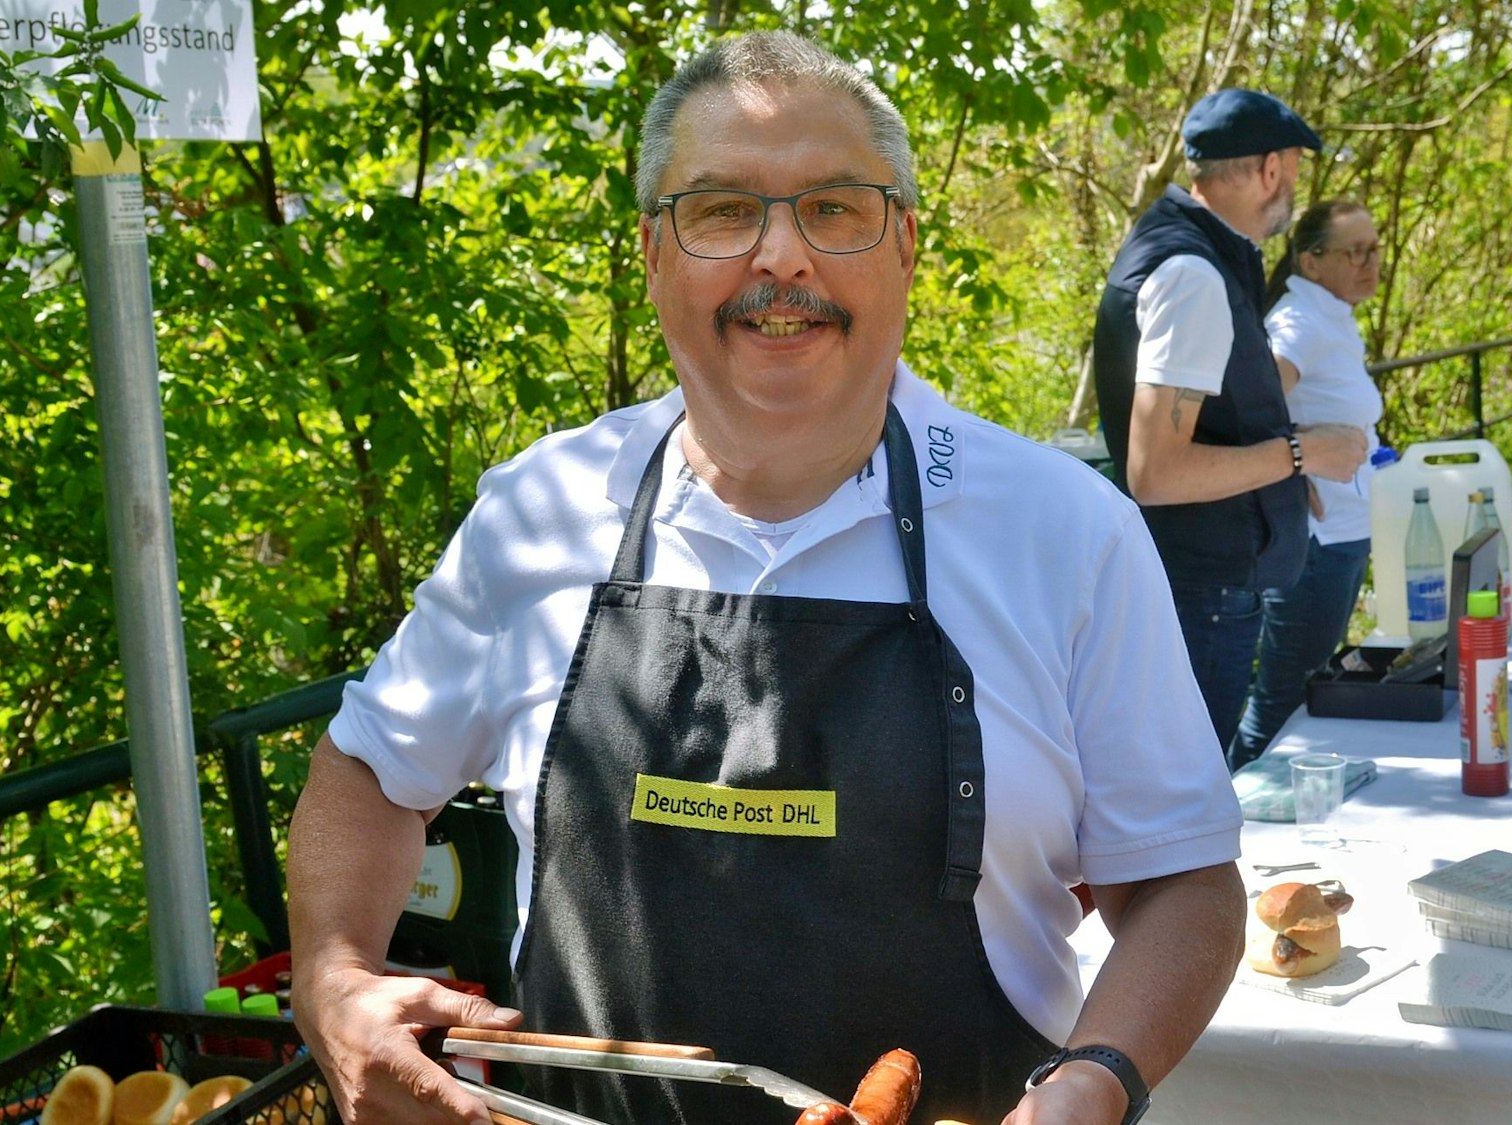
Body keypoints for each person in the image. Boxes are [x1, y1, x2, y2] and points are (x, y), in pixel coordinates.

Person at [285, 30, 1244, 1125]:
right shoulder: (539, 513)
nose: (780, 258)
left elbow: (1178, 882)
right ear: (652, 254)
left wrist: (1095, 1084)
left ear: (906, 248)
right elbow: (366, 773)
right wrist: (333, 979)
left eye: (835, 209)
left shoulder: (1066, 533)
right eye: (722, 210)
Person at [1091, 89, 1366, 761]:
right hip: (1202, 593)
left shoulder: (1186, 248)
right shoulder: (1192, 276)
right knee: (1186, 796)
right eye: (1295, 169)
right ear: (1271, 170)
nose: (1295, 188)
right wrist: (1300, 454)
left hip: (1194, 584)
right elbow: (1154, 473)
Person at [1228, 200, 1384, 769]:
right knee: (1282, 704)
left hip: (1342, 534)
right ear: (1312, 261)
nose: (1371, 263)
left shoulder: (1330, 316)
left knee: (1303, 694)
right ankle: (1225, 831)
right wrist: (1295, 453)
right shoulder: (1299, 322)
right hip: (1316, 544)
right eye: (1355, 251)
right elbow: (1247, 400)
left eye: (1375, 249)